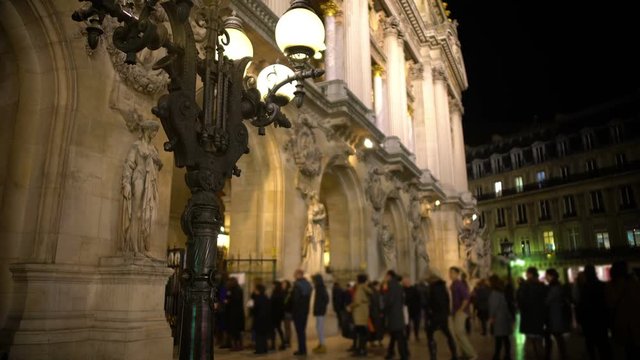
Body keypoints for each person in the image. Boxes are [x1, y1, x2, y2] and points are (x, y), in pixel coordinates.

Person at [606, 261, 640, 360]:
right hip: (635, 324)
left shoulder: (610, 286)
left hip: (620, 325)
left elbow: (610, 304)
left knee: (625, 351)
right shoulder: (633, 283)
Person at [576, 265, 611, 360]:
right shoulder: (602, 286)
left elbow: (581, 306)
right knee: (603, 345)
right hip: (601, 319)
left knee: (590, 345)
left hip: (588, 321)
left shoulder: (584, 288)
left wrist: (580, 320)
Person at [517, 267, 548, 360]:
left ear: (530, 274)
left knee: (530, 341)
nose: (526, 275)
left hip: (528, 317)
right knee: (539, 342)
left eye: (527, 273)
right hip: (539, 317)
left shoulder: (524, 286)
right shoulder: (542, 286)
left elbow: (520, 300)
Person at [425, 274, 458, 360]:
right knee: (448, 334)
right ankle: (454, 354)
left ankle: (433, 357)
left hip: (434, 316)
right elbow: (448, 301)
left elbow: (429, 302)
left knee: (430, 335)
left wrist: (429, 313)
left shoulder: (432, 288)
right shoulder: (444, 287)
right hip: (443, 315)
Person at [450, 267, 477, 360]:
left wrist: (461, 309)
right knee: (457, 333)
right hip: (455, 312)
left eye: (452, 273)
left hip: (461, 312)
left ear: (457, 274)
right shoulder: (453, 284)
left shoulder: (459, 284)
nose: (450, 275)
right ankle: (464, 352)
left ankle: (472, 353)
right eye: (450, 273)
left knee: (459, 333)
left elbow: (466, 297)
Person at [544, 268, 570, 360]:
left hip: (555, 315)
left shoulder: (554, 287)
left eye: (546, 275)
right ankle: (562, 355)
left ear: (551, 276)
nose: (545, 277)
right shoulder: (556, 286)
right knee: (557, 336)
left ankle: (558, 355)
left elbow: (547, 301)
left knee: (556, 336)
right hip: (555, 315)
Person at [383, 270, 409, 360]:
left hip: (393, 315)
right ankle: (390, 353)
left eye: (385, 276)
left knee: (398, 336)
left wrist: (384, 308)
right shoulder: (399, 286)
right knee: (395, 335)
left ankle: (404, 355)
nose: (384, 278)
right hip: (398, 314)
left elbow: (389, 301)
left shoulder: (390, 286)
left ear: (389, 276)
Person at [488, 275, 513, 360]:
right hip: (504, 317)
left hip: (499, 319)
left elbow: (493, 307)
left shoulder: (494, 293)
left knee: (498, 338)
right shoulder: (501, 292)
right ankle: (507, 354)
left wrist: (491, 317)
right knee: (505, 338)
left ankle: (497, 355)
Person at [291, 269, 312, 356]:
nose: (294, 275)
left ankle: (301, 350)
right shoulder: (308, 285)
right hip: (305, 310)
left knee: (299, 331)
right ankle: (303, 349)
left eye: (295, 274)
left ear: (299, 274)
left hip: (298, 311)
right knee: (302, 331)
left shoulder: (297, 285)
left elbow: (295, 300)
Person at [350, 273, 371, 357]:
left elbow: (357, 301)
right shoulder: (366, 288)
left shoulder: (359, 289)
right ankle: (363, 349)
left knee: (359, 334)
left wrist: (350, 306)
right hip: (364, 313)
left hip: (359, 314)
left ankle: (360, 350)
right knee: (363, 333)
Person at [251, 284, 272, 355]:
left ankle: (259, 349)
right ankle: (264, 349)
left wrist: (252, 309)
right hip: (266, 319)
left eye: (255, 289)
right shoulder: (266, 297)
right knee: (264, 335)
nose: (254, 290)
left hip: (259, 319)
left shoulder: (257, 298)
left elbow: (255, 309)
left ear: (258, 290)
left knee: (259, 335)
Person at [226, 277, 245, 351]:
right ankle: (238, 345)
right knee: (237, 330)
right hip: (237, 312)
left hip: (235, 313)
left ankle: (237, 346)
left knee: (236, 330)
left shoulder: (235, 290)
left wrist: (228, 300)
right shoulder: (237, 289)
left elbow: (235, 300)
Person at [312, 274, 329, 354]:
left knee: (320, 328)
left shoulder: (320, 288)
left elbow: (326, 299)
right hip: (319, 310)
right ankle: (320, 343)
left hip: (320, 311)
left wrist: (320, 307)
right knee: (318, 327)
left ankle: (322, 344)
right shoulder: (319, 288)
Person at [403, 277, 422, 341]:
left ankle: (416, 335)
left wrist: (418, 307)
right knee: (407, 324)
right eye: (405, 282)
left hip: (415, 310)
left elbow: (419, 299)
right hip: (407, 310)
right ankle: (407, 336)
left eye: (407, 281)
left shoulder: (414, 289)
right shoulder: (402, 289)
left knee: (416, 324)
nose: (406, 283)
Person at [270, 281, 286, 351]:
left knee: (273, 329)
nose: (272, 286)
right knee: (279, 328)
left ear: (276, 286)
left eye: (273, 285)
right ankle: (283, 343)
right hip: (279, 314)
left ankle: (273, 345)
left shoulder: (275, 293)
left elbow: (272, 303)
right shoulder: (281, 293)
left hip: (274, 314)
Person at [368, 281, 384, 346]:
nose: (379, 287)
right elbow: (380, 304)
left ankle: (372, 340)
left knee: (372, 328)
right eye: (378, 286)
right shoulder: (377, 293)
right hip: (377, 313)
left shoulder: (370, 293)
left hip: (371, 313)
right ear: (375, 286)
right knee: (378, 327)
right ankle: (377, 340)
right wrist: (381, 311)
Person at [282, 280, 293, 349]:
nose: (282, 285)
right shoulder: (284, 292)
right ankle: (287, 340)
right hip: (286, 311)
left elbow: (288, 303)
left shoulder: (288, 293)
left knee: (287, 327)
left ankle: (288, 341)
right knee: (286, 327)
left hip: (287, 312)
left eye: (284, 284)